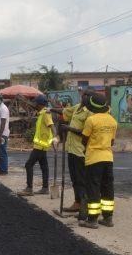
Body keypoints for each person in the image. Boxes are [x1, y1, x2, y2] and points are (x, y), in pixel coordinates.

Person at [79, 92, 118, 229]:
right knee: (107, 188)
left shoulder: (91, 120)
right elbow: (112, 141)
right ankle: (108, 218)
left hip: (94, 159)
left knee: (93, 188)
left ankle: (92, 220)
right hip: (108, 158)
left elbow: (84, 139)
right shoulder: (112, 121)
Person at [56, 91, 92, 221]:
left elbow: (86, 133)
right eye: (83, 96)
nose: (84, 98)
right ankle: (77, 203)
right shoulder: (77, 107)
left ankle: (84, 206)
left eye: (87, 96)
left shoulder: (90, 113)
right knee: (74, 178)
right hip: (71, 148)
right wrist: (51, 109)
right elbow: (65, 111)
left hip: (80, 150)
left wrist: (69, 129)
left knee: (81, 179)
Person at [18, 95, 57, 195]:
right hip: (41, 145)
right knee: (44, 166)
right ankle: (45, 188)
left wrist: (55, 138)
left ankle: (29, 189)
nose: (34, 104)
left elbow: (52, 127)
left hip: (41, 146)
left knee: (28, 165)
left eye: (36, 103)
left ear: (40, 104)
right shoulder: (41, 114)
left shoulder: (45, 114)